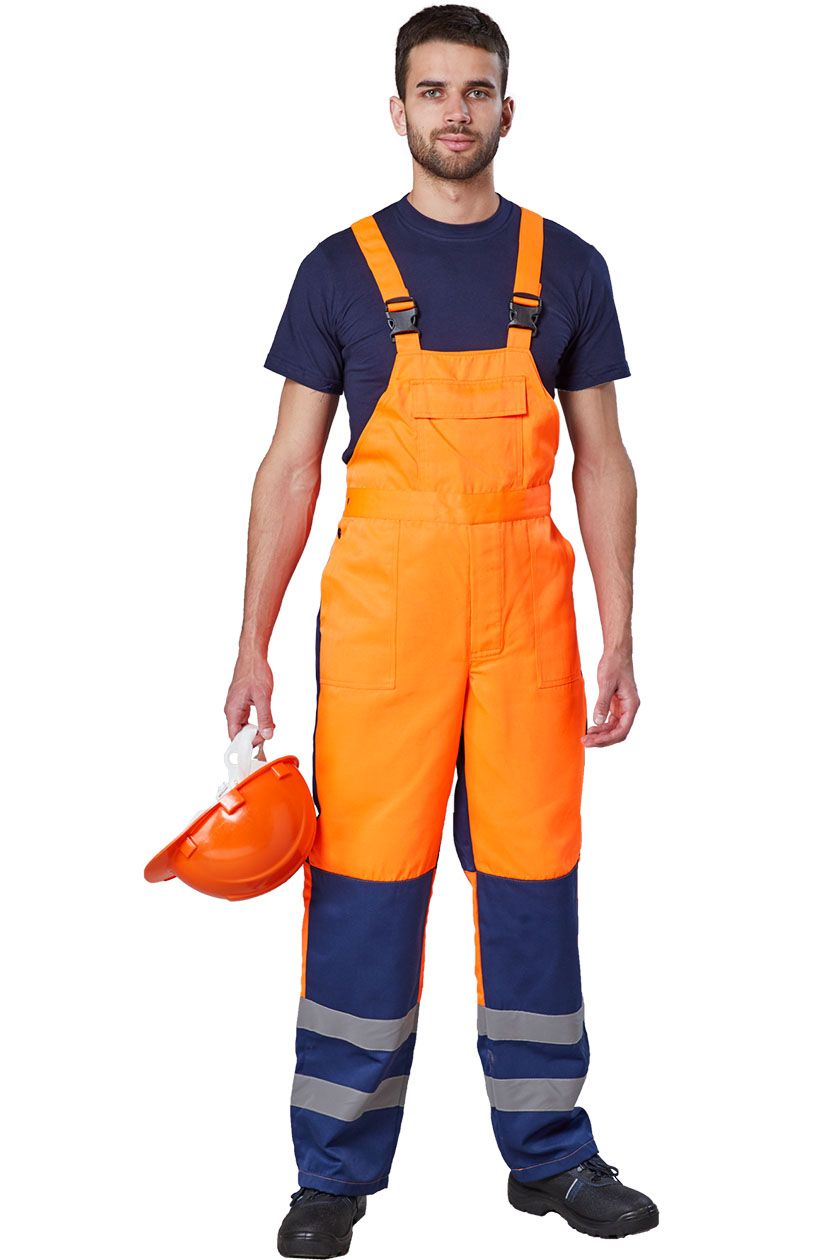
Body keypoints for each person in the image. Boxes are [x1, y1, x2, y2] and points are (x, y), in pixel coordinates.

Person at [225, 6, 659, 1253]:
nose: (455, 112)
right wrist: (251, 641)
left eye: (477, 91)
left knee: (532, 881)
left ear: (507, 110)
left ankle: (551, 1157)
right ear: (397, 110)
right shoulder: (338, 269)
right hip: (382, 624)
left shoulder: (569, 265)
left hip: (526, 619)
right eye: (433, 91)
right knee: (365, 886)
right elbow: (290, 468)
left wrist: (619, 632)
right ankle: (332, 1176)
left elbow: (603, 460)